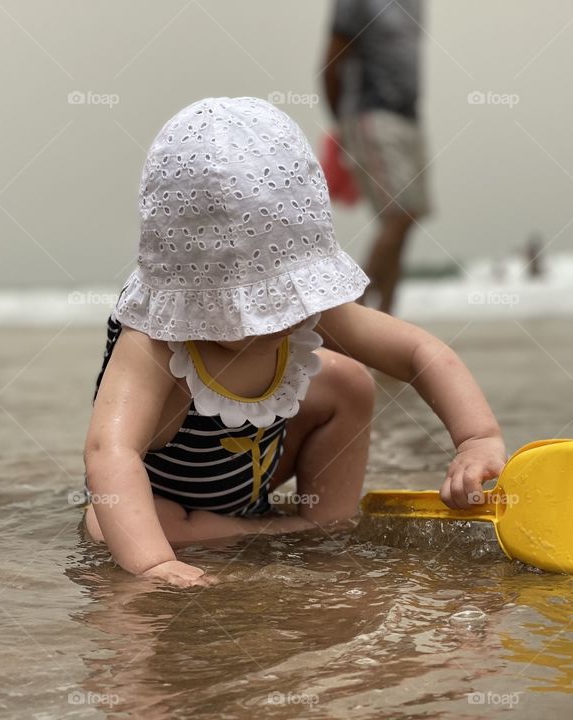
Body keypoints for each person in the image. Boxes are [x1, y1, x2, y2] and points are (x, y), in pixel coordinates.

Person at [82, 98, 505, 588]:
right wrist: (153, 565)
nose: (272, 320)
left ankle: (325, 521)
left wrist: (476, 439)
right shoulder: (154, 345)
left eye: (280, 298)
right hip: (172, 507)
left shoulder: (306, 311)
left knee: (348, 380)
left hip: (253, 473)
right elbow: (108, 452)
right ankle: (277, 531)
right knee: (104, 522)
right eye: (243, 306)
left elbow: (419, 353)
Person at [322, 0, 430, 315]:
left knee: (408, 217)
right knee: (399, 214)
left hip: (408, 116)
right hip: (371, 113)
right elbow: (332, 62)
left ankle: (386, 318)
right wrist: (342, 124)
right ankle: (354, 312)